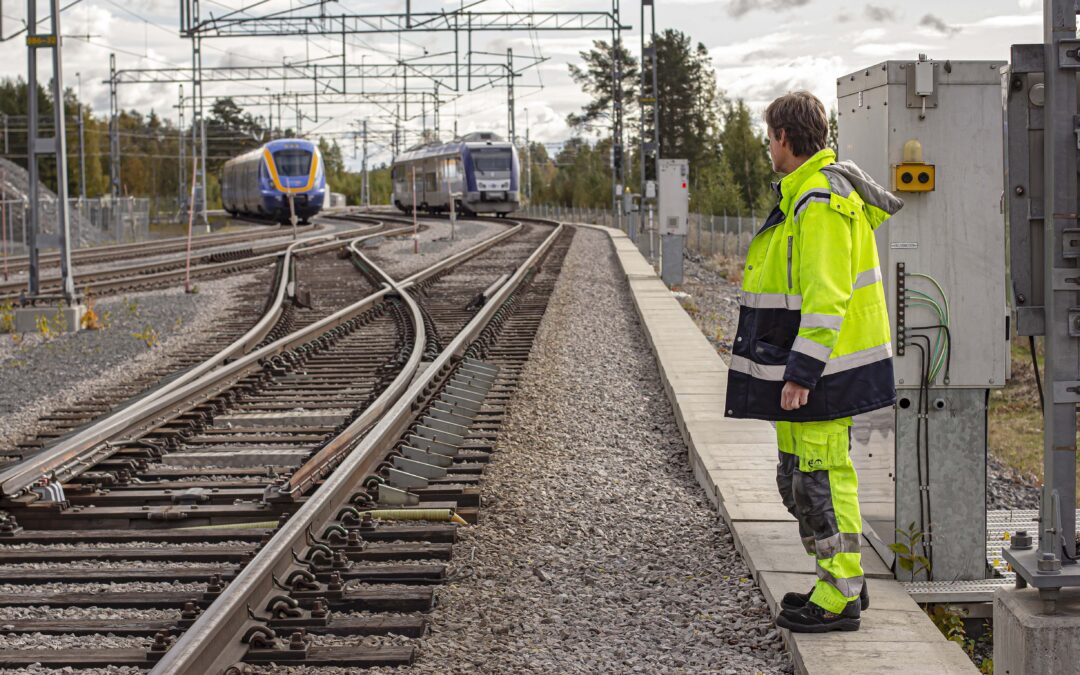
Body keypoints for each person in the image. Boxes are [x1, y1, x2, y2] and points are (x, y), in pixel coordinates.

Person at [724, 91, 902, 633]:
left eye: (769, 138)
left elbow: (827, 297)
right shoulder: (805, 195)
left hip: (823, 371)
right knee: (800, 479)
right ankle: (840, 578)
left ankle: (840, 594)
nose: (768, 147)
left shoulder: (821, 202)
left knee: (822, 480)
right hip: (809, 368)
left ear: (784, 138)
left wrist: (802, 372)